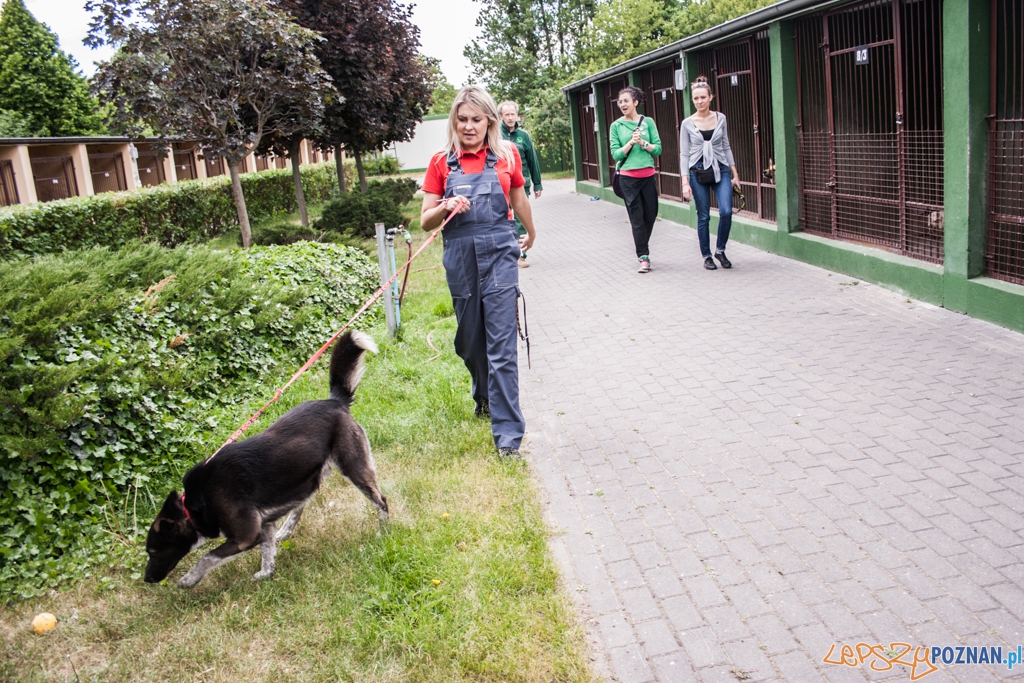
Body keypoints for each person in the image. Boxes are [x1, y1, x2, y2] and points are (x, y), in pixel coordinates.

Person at [420, 86, 537, 459]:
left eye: (476, 119)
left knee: (502, 345)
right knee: (470, 342)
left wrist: (530, 231)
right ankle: (483, 393)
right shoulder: (442, 161)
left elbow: (517, 197)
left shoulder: (506, 155)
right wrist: (445, 205)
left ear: (489, 120)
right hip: (460, 257)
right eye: (462, 119)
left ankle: (507, 437)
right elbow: (424, 221)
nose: (469, 126)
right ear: (454, 120)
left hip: (501, 252)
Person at [680, 75, 741, 270]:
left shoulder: (720, 118)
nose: (699, 101)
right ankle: (706, 256)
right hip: (697, 172)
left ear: (711, 97)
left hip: (720, 169)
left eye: (703, 97)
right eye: (696, 98)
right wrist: (685, 182)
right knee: (703, 215)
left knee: (725, 211)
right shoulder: (687, 123)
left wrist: (735, 173)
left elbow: (726, 146)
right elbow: (683, 154)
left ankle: (720, 250)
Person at [609, 85, 662, 273]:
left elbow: (658, 149)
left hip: (647, 176)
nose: (622, 104)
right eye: (620, 101)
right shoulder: (616, 126)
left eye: (626, 101)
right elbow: (615, 154)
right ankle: (643, 257)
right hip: (627, 178)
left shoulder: (648, 122)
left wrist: (643, 143)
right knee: (637, 218)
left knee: (651, 214)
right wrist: (630, 142)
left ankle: (642, 243)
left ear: (635, 102)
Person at [499, 100, 543, 268]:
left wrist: (537, 184)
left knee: (520, 219)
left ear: (517, 115)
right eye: (507, 115)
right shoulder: (495, 135)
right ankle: (506, 252)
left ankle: (520, 255)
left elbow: (533, 160)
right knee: (503, 218)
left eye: (513, 114)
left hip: (521, 184)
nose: (510, 118)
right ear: (501, 116)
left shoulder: (523, 136)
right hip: (501, 184)